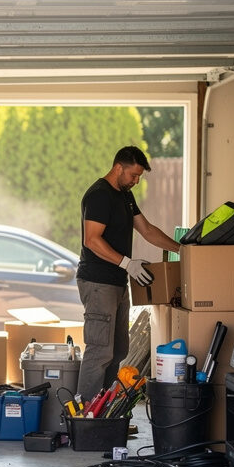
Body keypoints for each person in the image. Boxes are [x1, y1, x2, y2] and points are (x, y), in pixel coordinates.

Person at [75, 145, 180, 402]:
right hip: (98, 283)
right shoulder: (99, 195)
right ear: (118, 167)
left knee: (119, 349)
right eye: (133, 175)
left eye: (139, 177)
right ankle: (84, 416)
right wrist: (127, 263)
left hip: (118, 282)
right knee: (100, 351)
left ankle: (104, 410)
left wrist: (182, 249)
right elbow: (92, 239)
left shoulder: (124, 196)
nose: (136, 181)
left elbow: (147, 230)